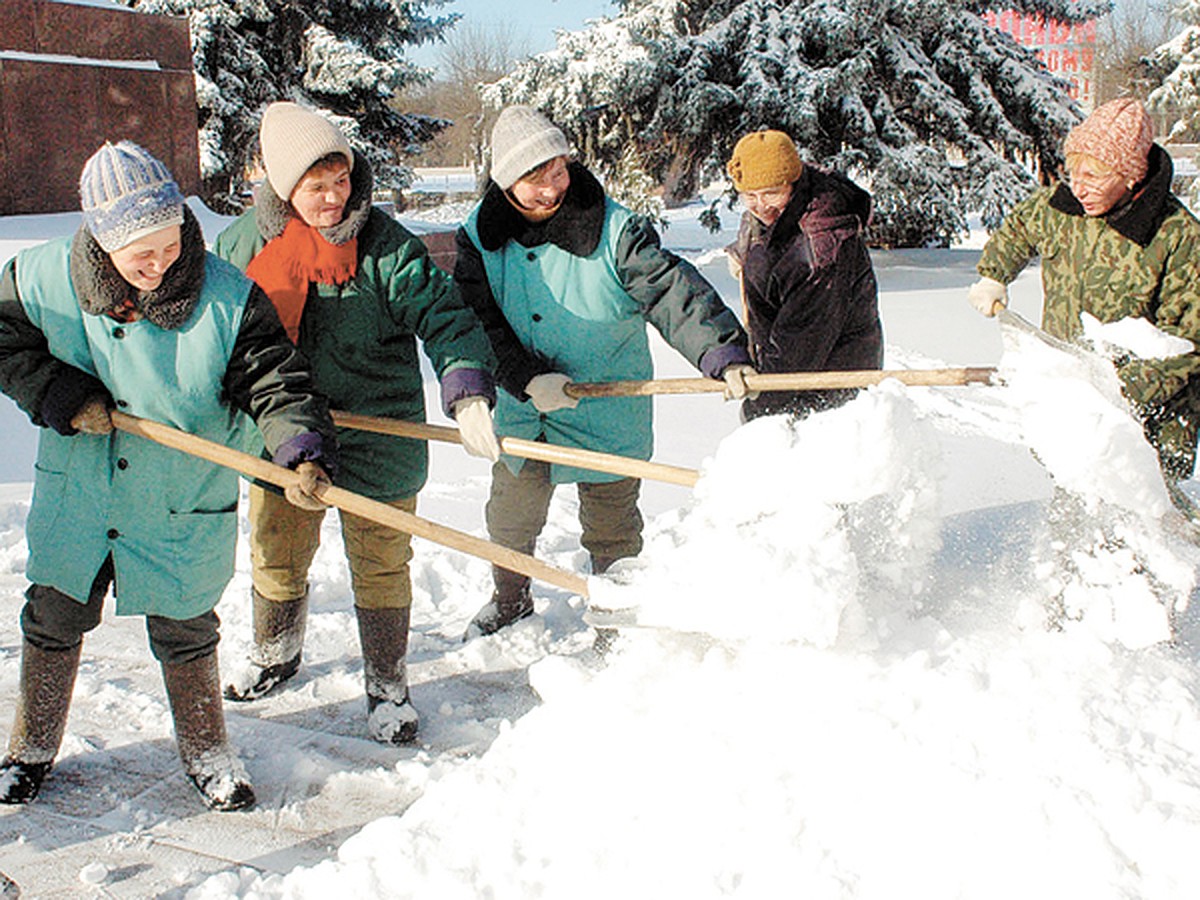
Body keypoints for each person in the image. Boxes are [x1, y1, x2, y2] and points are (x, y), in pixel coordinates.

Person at [0, 141, 336, 810]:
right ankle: (28, 752)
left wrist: (297, 447)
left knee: (186, 627)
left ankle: (209, 755)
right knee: (55, 613)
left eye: (170, 245)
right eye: (139, 255)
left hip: (182, 492)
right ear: (101, 240)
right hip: (82, 491)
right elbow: (5, 343)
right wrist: (60, 394)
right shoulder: (37, 279)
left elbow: (274, 378)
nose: (159, 264)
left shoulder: (228, 297)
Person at [214, 102, 500, 743]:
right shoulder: (241, 247)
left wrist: (468, 389)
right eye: (316, 186)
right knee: (277, 552)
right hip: (281, 434)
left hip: (379, 428)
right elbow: (214, 336)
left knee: (380, 560)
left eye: (341, 180)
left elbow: (446, 317)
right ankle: (276, 653)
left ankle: (388, 685)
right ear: (283, 187)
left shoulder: (385, 245)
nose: (334, 197)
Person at [453, 105, 755, 639]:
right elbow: (476, 322)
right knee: (510, 518)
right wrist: (522, 378)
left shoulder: (615, 229)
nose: (552, 186)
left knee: (613, 528)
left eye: (558, 169)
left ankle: (618, 622)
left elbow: (669, 291)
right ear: (505, 183)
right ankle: (510, 597)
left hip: (608, 406)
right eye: (534, 177)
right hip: (526, 413)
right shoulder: (478, 237)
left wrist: (722, 350)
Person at [969, 97, 1200, 484]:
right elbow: (1020, 227)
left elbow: (1188, 343)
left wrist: (1115, 388)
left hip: (1150, 419)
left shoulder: (1178, 235)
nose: (1079, 188)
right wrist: (994, 274)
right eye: (1073, 172)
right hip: (1074, 398)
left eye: (1094, 176)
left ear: (1131, 176)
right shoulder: (1061, 207)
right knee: (1074, 497)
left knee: (1150, 525)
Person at [725, 130, 883, 421]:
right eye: (749, 196)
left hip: (828, 387)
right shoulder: (782, 202)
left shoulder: (822, 249)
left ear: (792, 182)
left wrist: (760, 407)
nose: (761, 206)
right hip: (789, 372)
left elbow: (800, 345)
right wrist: (743, 253)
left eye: (771, 193)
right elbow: (761, 223)